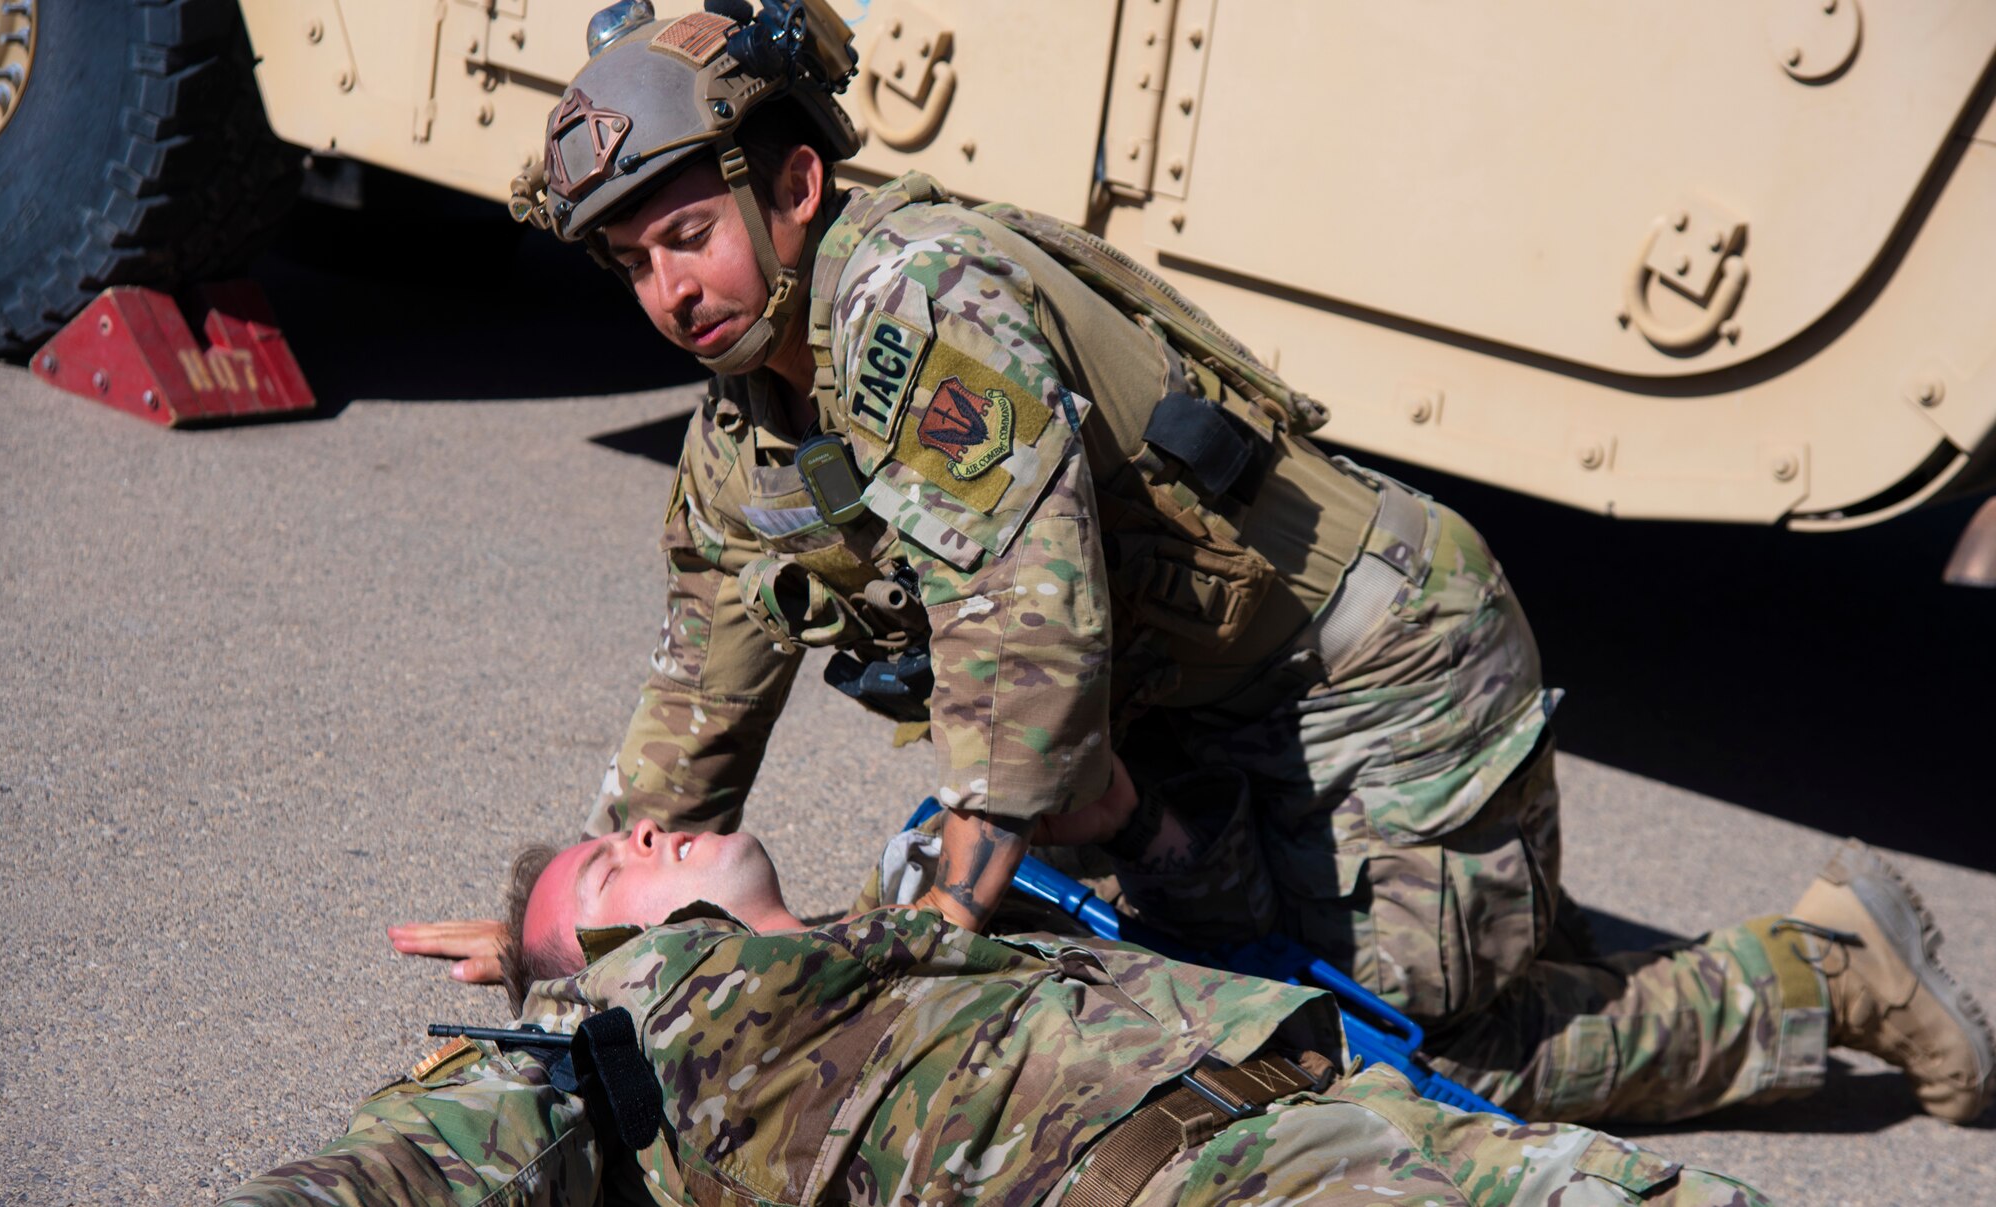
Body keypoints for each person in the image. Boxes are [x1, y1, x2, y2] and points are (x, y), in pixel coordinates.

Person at [393, 0, 1994, 1125]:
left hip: (1375, 672)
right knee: (1339, 971)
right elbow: (701, 701)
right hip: (1214, 724)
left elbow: (1027, 648)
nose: (668, 291)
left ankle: (1824, 977)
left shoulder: (913, 299)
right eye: (632, 262)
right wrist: (567, 916)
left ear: (795, 183)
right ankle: (1503, 919)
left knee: (1393, 1052)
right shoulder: (751, 429)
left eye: (689, 235)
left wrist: (929, 939)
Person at [229, 822, 1774, 1207]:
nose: (637, 835)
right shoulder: (646, 1014)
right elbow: (444, 1147)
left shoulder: (910, 933)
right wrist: (552, 971)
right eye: (606, 873)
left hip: (1336, 1125)